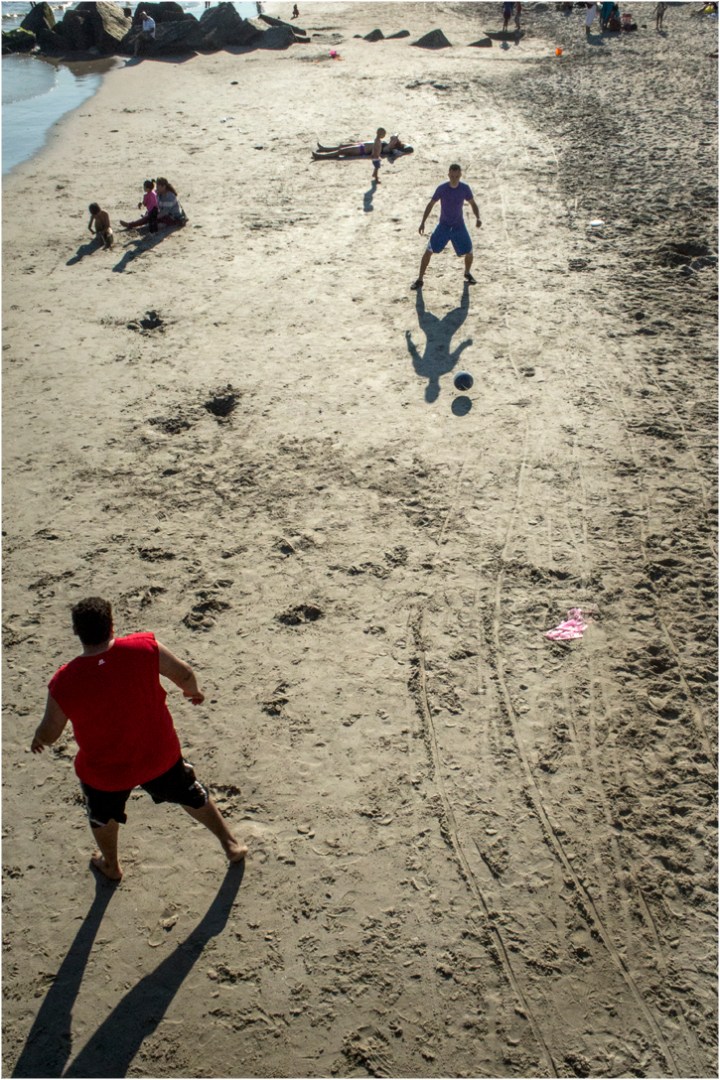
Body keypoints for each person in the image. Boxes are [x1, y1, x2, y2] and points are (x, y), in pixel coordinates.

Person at [31, 597, 248, 881]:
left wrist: (39, 738)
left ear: (76, 632)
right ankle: (230, 844)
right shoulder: (143, 648)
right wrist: (192, 692)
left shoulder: (64, 681)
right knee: (191, 793)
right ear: (112, 626)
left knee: (102, 817)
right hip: (157, 755)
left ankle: (111, 865)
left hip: (105, 772)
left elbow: (52, 730)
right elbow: (184, 673)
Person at [411, 164, 481, 291]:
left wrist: (478, 218)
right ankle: (420, 279)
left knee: (469, 251)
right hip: (443, 226)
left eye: (456, 176)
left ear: (460, 175)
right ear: (448, 175)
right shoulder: (442, 188)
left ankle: (467, 273)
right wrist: (423, 222)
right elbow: (431, 204)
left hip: (458, 226)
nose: (454, 178)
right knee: (428, 251)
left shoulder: (464, 188)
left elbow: (473, 203)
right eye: (452, 176)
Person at [312, 133, 411, 161]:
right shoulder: (389, 146)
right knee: (341, 147)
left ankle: (321, 156)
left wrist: (397, 137)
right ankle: (324, 149)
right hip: (361, 145)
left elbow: (394, 137)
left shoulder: (389, 148)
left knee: (341, 151)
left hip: (361, 149)